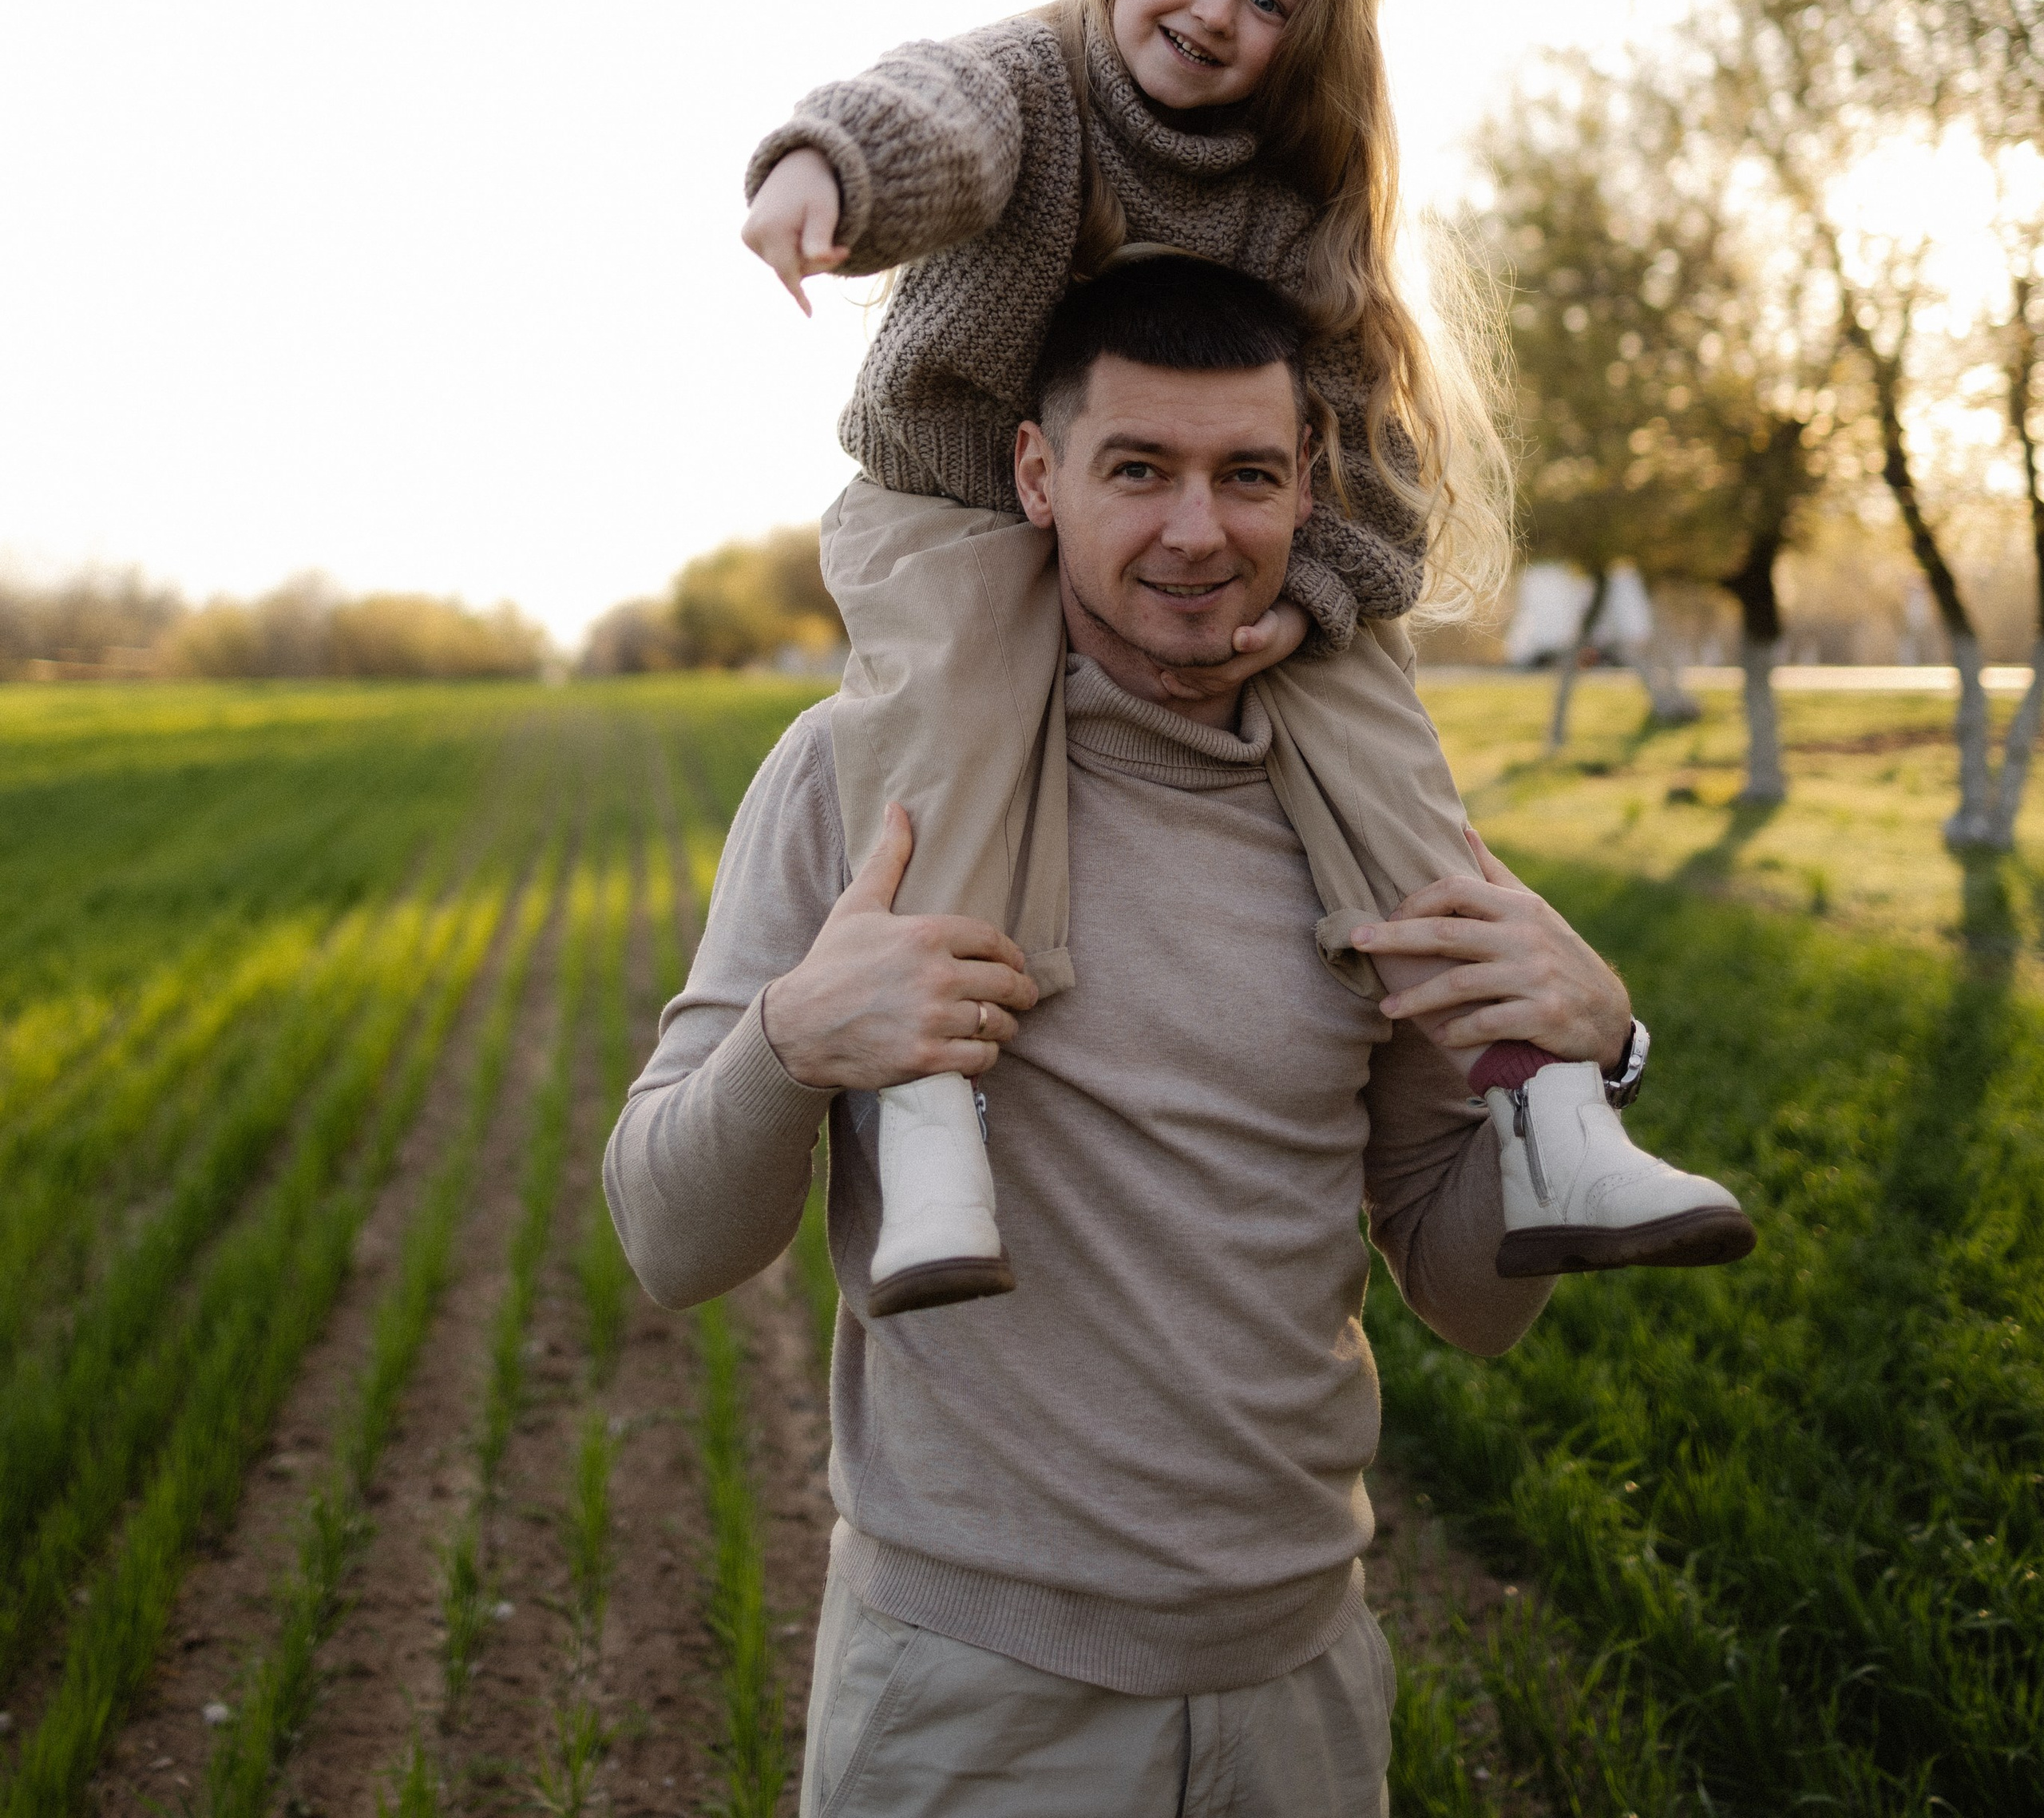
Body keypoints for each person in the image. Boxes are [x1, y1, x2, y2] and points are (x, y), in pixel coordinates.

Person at [604, 264, 1676, 1816]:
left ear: (1308, 485)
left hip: (1301, 1691)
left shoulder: (1375, 821)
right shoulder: (864, 778)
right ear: (1036, 477)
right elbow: (665, 1239)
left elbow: (1466, 1297)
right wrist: (789, 1041)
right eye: (1136, 470)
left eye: (1245, 474)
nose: (1196, 530)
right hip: (971, 1701)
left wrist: (1589, 1057)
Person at [739, 0, 1752, 1303]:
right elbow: (936, 114)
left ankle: (1555, 1114)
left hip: (1191, 545)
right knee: (952, 761)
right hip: (948, 495)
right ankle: (931, 1142)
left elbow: (1368, 446)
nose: (1220, 14)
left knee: (1380, 743)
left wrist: (1320, 594)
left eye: (1271, 1)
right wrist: (829, 170)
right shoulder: (1035, 82)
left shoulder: (1294, 191)